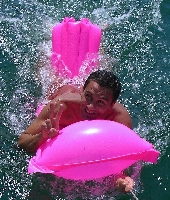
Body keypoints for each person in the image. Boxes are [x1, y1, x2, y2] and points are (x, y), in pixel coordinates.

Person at [18, 69, 134, 193]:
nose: (90, 107)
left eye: (100, 102)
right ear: (82, 92)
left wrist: (121, 179)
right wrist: (42, 136)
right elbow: (21, 142)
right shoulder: (61, 106)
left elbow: (121, 161)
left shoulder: (119, 120)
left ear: (111, 105)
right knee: (54, 78)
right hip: (61, 91)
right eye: (88, 96)